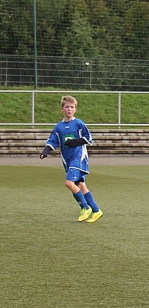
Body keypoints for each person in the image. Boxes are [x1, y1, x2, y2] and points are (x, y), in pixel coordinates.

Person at [40, 95, 103, 223]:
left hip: (79, 158)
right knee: (80, 185)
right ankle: (96, 211)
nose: (69, 109)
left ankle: (85, 208)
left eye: (72, 107)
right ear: (62, 109)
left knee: (69, 183)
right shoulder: (58, 127)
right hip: (67, 160)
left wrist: (74, 142)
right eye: (67, 107)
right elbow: (53, 141)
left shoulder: (78, 123)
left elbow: (88, 138)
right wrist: (45, 151)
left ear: (75, 109)